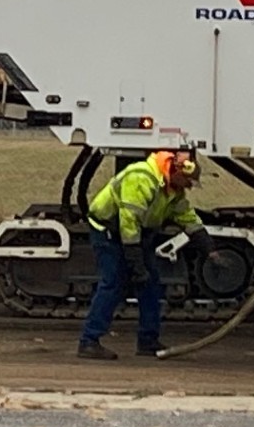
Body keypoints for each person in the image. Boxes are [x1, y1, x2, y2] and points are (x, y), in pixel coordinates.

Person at [78, 150, 210, 360]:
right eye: (188, 182)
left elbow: (186, 216)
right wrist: (135, 264)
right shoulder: (141, 178)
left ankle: (148, 341)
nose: (189, 187)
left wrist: (208, 248)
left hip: (138, 236)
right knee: (112, 283)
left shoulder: (172, 189)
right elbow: (128, 223)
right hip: (109, 232)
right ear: (175, 173)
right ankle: (89, 341)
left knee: (150, 284)